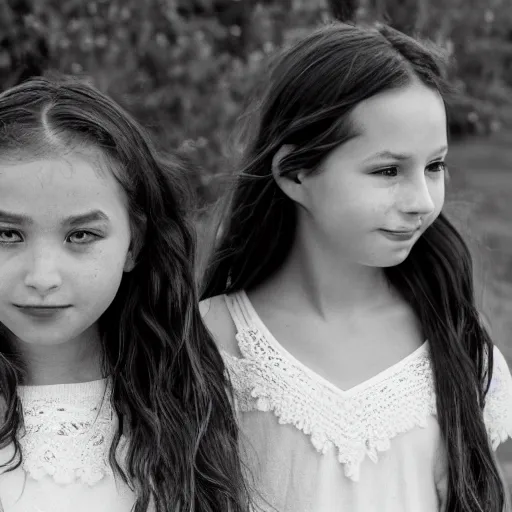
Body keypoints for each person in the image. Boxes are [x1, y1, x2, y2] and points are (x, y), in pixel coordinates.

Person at [199, 22, 512, 512]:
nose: (422, 201)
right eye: (387, 171)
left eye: (435, 166)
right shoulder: (211, 344)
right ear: (295, 173)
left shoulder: (458, 342)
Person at [0, 76, 250, 512]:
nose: (42, 277)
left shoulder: (194, 400)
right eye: (6, 233)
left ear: (133, 242)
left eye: (80, 235)